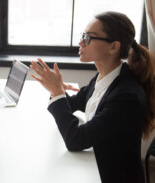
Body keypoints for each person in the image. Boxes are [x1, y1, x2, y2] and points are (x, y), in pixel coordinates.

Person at [30, 11, 155, 182]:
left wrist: (58, 92)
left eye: (89, 38)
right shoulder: (103, 76)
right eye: (83, 36)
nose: (81, 42)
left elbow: (75, 140)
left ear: (114, 46)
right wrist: (55, 89)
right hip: (95, 165)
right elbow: (72, 104)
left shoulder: (127, 96)